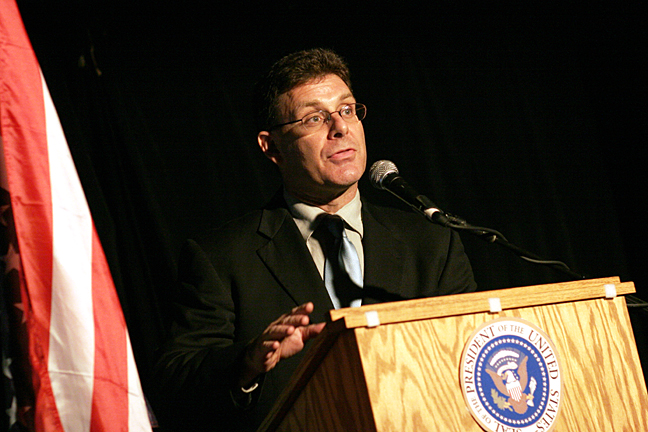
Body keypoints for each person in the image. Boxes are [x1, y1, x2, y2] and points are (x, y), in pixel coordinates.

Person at [151, 48, 476, 431]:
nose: (340, 128)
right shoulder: (222, 257)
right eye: (314, 118)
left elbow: (466, 359)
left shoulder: (431, 244)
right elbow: (176, 384)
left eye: (347, 110)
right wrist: (248, 362)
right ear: (271, 147)